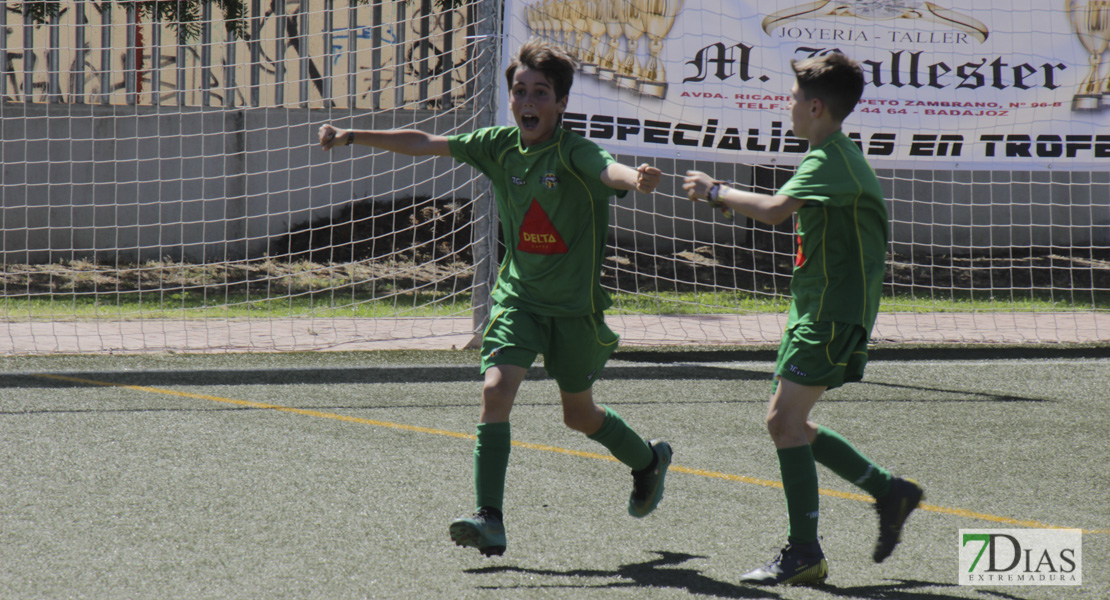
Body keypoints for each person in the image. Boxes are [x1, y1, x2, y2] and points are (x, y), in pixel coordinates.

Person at [319, 38, 672, 558]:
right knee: (495, 391)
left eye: (540, 93)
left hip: (573, 310)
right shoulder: (499, 145)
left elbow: (607, 170)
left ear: (561, 103)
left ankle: (646, 461)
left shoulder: (573, 151)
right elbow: (426, 142)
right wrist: (352, 134)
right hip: (518, 300)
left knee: (578, 415)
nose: (528, 102)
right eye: (520, 91)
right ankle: (490, 518)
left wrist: (636, 180)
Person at [682, 52, 923, 586]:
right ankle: (888, 491)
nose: (787, 106)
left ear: (815, 106)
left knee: (782, 423)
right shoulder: (830, 155)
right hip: (816, 310)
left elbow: (772, 210)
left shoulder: (828, 160)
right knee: (789, 422)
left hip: (831, 316)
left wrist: (716, 191)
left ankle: (805, 553)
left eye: (793, 98)